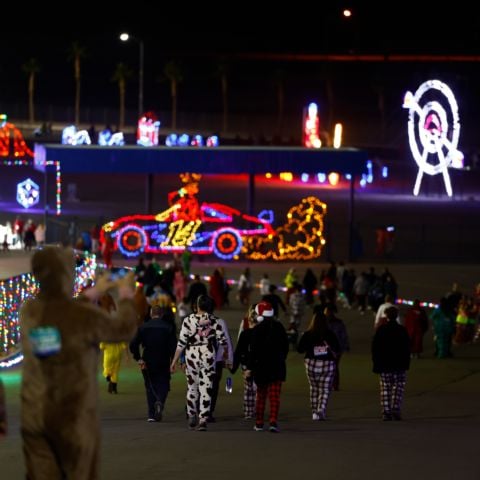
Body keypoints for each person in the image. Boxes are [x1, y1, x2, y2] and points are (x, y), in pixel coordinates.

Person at [19, 246, 137, 479]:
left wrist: (95, 291)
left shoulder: (29, 312)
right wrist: (125, 295)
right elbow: (124, 328)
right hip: (72, 416)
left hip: (34, 414)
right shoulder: (84, 318)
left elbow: (64, 313)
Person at [170, 295, 229, 431]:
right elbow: (223, 341)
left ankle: (191, 414)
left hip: (192, 355)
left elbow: (181, 343)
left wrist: (174, 361)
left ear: (197, 305)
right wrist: (225, 354)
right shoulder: (216, 321)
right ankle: (203, 419)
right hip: (208, 354)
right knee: (206, 387)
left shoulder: (188, 320)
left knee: (192, 386)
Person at [245, 301, 289, 433]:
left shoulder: (257, 330)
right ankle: (273, 422)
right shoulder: (279, 327)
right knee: (274, 397)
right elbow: (285, 347)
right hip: (277, 367)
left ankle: (259, 423)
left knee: (261, 396)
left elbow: (253, 352)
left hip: (261, 368)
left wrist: (249, 368)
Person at [129, 305, 177, 422]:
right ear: (161, 315)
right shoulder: (168, 328)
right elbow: (174, 347)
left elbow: (133, 344)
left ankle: (151, 414)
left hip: (148, 360)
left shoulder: (143, 327)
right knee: (164, 383)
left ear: (151, 314)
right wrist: (173, 361)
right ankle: (160, 401)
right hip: (163, 359)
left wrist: (138, 358)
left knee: (150, 385)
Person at [297, 311, 340, 421]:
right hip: (327, 364)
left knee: (314, 388)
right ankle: (321, 409)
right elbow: (338, 349)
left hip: (311, 363)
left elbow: (300, 349)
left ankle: (314, 412)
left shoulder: (308, 334)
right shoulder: (330, 334)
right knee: (325, 389)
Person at [371, 306, 410, 421]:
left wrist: (376, 363)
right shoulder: (402, 330)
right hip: (399, 364)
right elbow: (407, 348)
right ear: (396, 316)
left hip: (385, 365)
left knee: (385, 389)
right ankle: (396, 410)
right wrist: (406, 363)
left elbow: (375, 348)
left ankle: (386, 412)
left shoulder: (381, 330)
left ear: (386, 316)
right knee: (398, 388)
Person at [231, 304, 258, 419]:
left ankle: (248, 412)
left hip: (246, 364)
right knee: (258, 388)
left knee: (248, 389)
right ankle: (257, 410)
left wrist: (233, 367)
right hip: (258, 364)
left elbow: (238, 350)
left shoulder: (245, 333)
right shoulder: (262, 333)